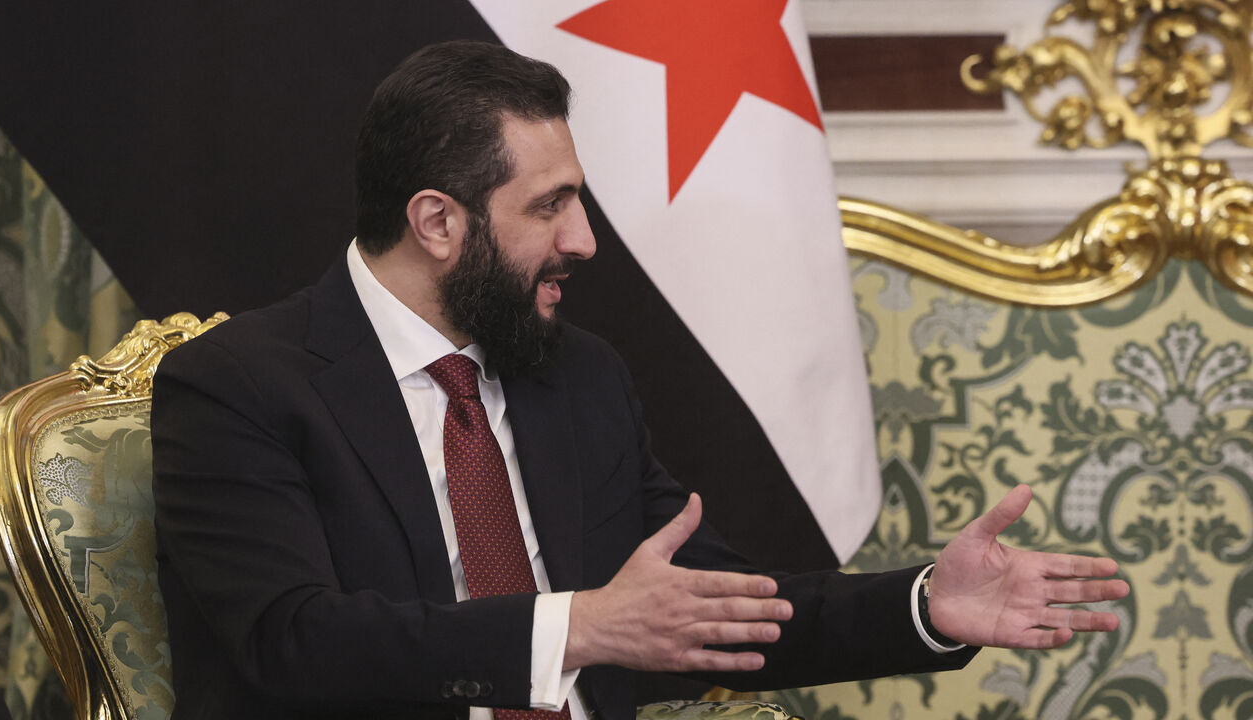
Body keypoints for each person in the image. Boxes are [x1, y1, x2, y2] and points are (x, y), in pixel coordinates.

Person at [151, 40, 1130, 720]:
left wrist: (924, 604)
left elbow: (715, 609)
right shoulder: (239, 386)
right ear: (438, 222)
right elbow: (293, 642)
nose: (583, 240)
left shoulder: (576, 376)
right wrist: (579, 628)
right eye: (550, 206)